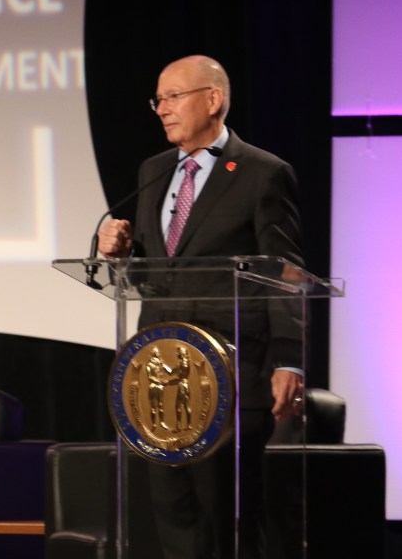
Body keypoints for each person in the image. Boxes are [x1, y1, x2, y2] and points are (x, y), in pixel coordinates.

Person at [96, 55, 305, 559]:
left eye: (173, 97)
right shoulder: (153, 172)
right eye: (158, 100)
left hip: (232, 371)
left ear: (213, 100)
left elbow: (286, 273)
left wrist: (288, 358)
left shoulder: (263, 173)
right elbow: (156, 277)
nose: (162, 109)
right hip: (162, 370)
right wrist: (122, 257)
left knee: (227, 517)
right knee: (174, 511)